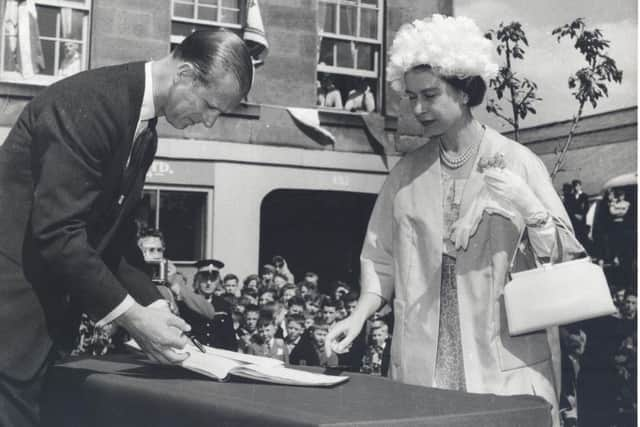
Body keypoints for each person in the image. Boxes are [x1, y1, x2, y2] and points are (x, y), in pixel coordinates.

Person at [325, 15, 584, 427]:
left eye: (430, 95)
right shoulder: (405, 174)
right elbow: (380, 258)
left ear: (464, 91)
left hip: (505, 364)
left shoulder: (518, 162)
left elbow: (566, 258)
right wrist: (358, 315)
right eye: (411, 97)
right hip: (421, 366)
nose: (418, 108)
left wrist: (532, 212)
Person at [0, 29, 253, 426]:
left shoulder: (143, 132)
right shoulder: (89, 102)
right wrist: (134, 317)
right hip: (10, 330)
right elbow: (58, 232)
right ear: (185, 74)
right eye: (210, 106)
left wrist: (154, 305)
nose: (208, 122)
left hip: (40, 337)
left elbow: (111, 236)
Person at [175, 259, 238, 351]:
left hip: (218, 356)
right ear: (198, 279)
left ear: (217, 281)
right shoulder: (185, 303)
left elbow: (230, 338)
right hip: (193, 354)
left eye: (212, 279)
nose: (208, 283)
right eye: (205, 278)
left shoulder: (223, 305)